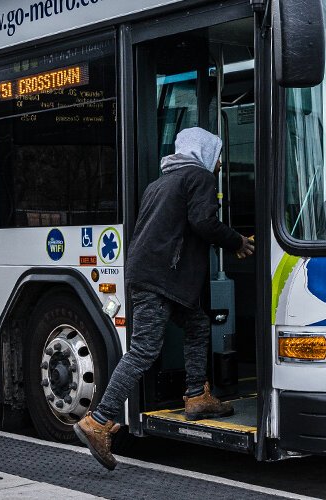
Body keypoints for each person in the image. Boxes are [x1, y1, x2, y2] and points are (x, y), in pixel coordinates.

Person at [72, 127, 254, 470]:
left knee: (197, 324)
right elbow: (204, 222)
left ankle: (196, 396)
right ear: (205, 153)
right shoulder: (198, 178)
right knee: (143, 350)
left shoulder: (159, 184)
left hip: (151, 275)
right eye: (217, 156)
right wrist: (237, 242)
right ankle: (98, 420)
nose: (219, 165)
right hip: (160, 278)